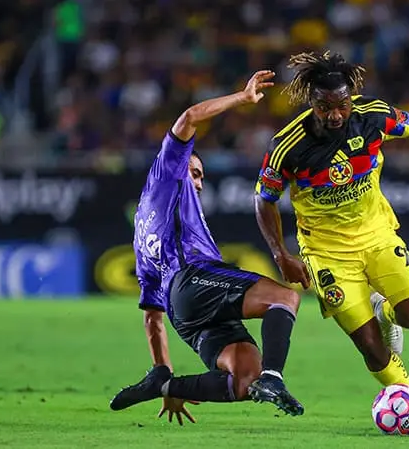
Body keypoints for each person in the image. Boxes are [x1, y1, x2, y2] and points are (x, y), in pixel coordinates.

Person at [254, 52, 409, 433]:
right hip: (327, 254)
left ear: (351, 99)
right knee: (371, 346)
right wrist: (280, 254)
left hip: (377, 235)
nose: (335, 115)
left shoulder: (373, 116)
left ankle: (385, 311)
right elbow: (264, 199)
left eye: (342, 105)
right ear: (312, 102)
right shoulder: (288, 147)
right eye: (325, 107)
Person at [110, 70, 304, 423]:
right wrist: (242, 98)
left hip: (184, 312)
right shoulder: (167, 176)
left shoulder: (143, 233)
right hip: (195, 279)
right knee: (284, 298)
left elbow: (153, 318)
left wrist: (162, 371)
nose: (198, 184)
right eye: (196, 173)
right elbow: (189, 117)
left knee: (244, 380)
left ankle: (166, 386)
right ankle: (274, 379)